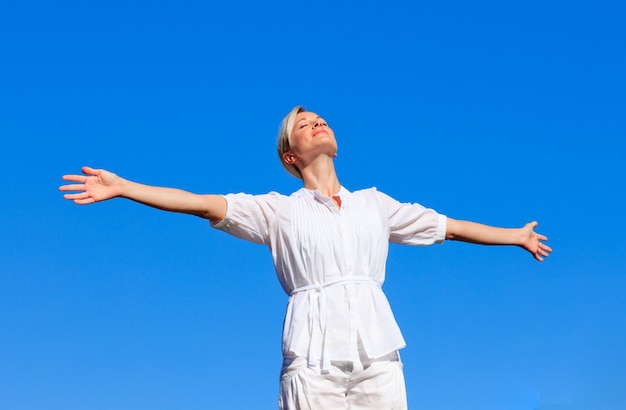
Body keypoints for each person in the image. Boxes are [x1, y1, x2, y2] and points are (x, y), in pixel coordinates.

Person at [59, 106, 552, 409]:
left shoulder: (375, 205)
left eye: (321, 118)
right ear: (290, 155)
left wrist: (514, 235)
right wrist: (124, 188)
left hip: (378, 353)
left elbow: (451, 227)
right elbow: (199, 202)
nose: (318, 122)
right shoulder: (276, 211)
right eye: (304, 123)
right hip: (311, 359)